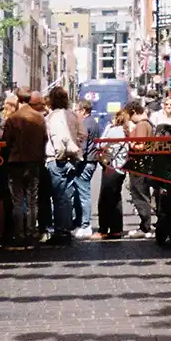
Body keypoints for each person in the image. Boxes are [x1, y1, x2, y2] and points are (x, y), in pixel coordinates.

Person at [2, 90, 47, 250]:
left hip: (16, 162)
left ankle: (19, 233)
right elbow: (44, 139)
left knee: (18, 201)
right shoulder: (39, 117)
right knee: (33, 200)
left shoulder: (13, 118)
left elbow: (5, 142)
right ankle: (31, 232)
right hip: (34, 162)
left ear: (18, 99)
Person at [44, 86, 81, 245]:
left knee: (59, 198)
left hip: (58, 159)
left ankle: (61, 232)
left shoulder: (54, 116)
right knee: (67, 197)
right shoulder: (72, 115)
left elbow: (57, 137)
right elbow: (83, 134)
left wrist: (60, 156)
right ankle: (66, 229)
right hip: (72, 160)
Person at [97, 109, 130, 239]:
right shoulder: (126, 131)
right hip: (121, 167)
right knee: (116, 198)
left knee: (105, 199)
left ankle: (103, 229)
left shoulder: (114, 129)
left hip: (111, 166)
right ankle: (116, 229)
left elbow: (102, 143)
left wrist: (108, 127)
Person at [70, 98, 101, 237]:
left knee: (83, 193)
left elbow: (82, 146)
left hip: (85, 162)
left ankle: (85, 224)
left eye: (77, 110)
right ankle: (80, 221)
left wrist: (75, 158)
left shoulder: (84, 124)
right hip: (91, 161)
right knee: (80, 192)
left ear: (83, 110)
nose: (75, 113)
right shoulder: (93, 123)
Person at [125, 102, 154, 237]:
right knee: (143, 194)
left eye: (131, 116)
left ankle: (145, 227)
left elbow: (141, 145)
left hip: (139, 164)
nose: (131, 119)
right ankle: (146, 226)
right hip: (143, 164)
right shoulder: (147, 123)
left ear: (134, 112)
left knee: (139, 195)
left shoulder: (142, 124)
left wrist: (129, 143)